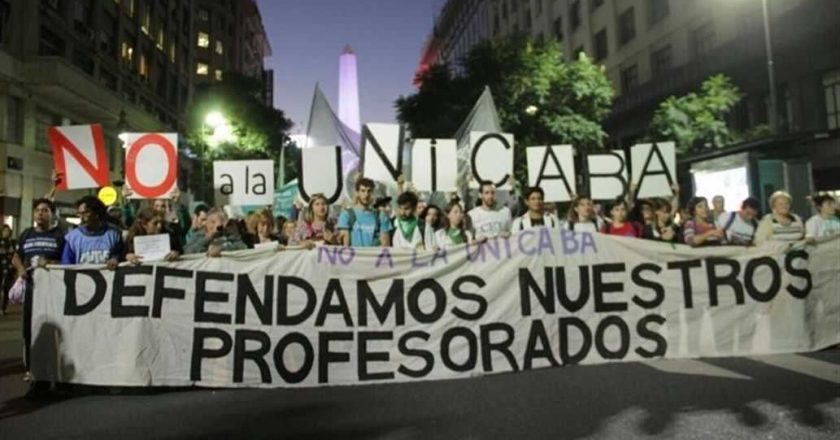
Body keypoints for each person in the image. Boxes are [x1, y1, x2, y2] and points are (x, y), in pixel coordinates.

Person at [11, 199, 65, 398]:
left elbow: (67, 261)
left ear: (51, 214)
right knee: (30, 329)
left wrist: (50, 262)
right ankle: (32, 370)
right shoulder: (26, 234)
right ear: (34, 215)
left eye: (45, 210)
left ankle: (56, 374)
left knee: (55, 330)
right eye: (38, 210)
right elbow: (16, 256)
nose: (41, 213)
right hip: (31, 290)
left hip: (52, 291)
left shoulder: (59, 236)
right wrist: (20, 269)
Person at [61, 196, 123, 268]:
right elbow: (66, 265)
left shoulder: (114, 234)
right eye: (79, 214)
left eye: (86, 213)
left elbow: (121, 254)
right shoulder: (72, 238)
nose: (82, 217)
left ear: (96, 214)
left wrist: (115, 258)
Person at [337, 177, 392, 247]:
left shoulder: (380, 216)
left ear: (373, 193)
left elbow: (385, 245)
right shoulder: (346, 215)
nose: (366, 194)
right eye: (363, 191)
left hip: (374, 256)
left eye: (369, 191)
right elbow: (345, 247)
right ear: (357, 192)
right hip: (356, 256)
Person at [184, 208, 248, 256]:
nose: (211, 225)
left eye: (215, 222)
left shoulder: (229, 235)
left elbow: (243, 246)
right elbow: (187, 251)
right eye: (211, 222)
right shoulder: (198, 235)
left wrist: (221, 249)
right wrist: (207, 238)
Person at [0, 225, 16, 315]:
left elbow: (15, 255)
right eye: (4, 231)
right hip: (1, 267)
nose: (6, 232)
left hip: (9, 268)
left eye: (8, 231)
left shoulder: (12, 242)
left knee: (6, 288)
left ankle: (3, 308)